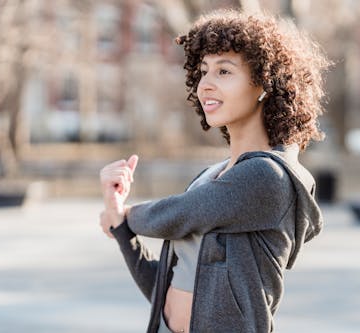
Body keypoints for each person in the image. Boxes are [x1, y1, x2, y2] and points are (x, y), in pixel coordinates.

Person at [99, 9, 330, 333]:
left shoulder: (268, 177)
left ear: (264, 82)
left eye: (224, 71)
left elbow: (182, 213)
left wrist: (124, 217)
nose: (205, 84)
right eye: (203, 71)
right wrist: (122, 230)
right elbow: (165, 291)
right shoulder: (210, 178)